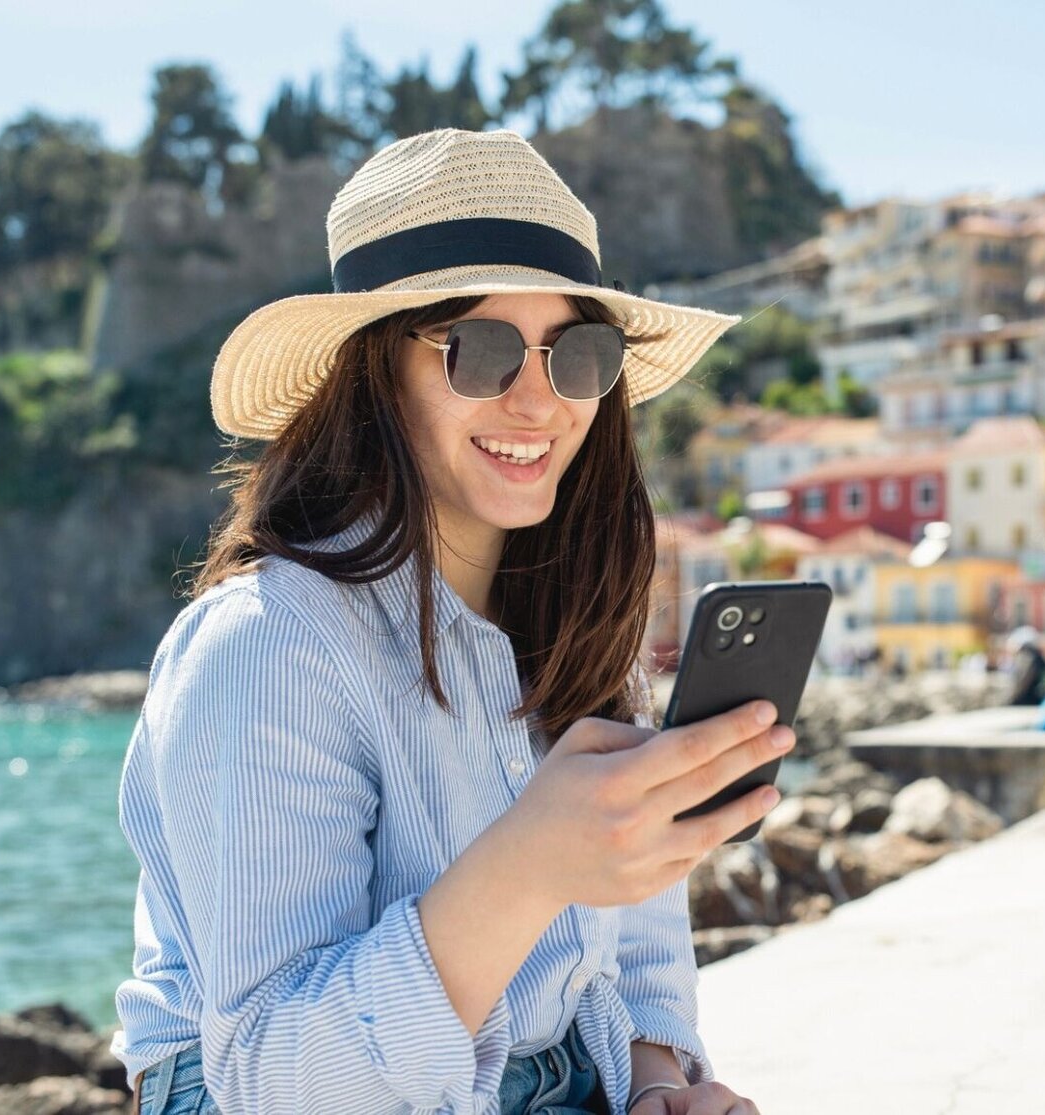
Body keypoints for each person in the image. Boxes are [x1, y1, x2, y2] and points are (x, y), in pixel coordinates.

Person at [110, 130, 769, 1115]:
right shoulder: (266, 641)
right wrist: (528, 862)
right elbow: (276, 1078)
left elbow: (629, 941)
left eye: (577, 351)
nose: (537, 397)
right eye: (481, 348)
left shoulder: (570, 617)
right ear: (374, 371)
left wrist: (655, 1078)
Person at [1005, 626, 1045, 705]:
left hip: (1028, 701)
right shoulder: (1034, 657)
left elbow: (1023, 682)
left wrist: (1011, 699)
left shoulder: (1028, 657)